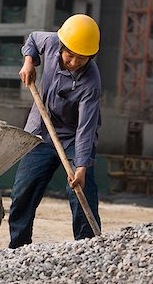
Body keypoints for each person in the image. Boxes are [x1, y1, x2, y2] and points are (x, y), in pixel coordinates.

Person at [9, 14, 102, 249]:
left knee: (82, 193)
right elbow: (32, 39)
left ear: (90, 57)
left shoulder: (91, 81)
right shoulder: (51, 43)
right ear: (61, 47)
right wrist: (28, 61)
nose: (73, 62)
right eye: (70, 55)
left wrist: (80, 167)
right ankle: (18, 248)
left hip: (73, 138)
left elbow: (86, 127)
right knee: (23, 191)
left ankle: (87, 248)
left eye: (81, 59)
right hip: (41, 130)